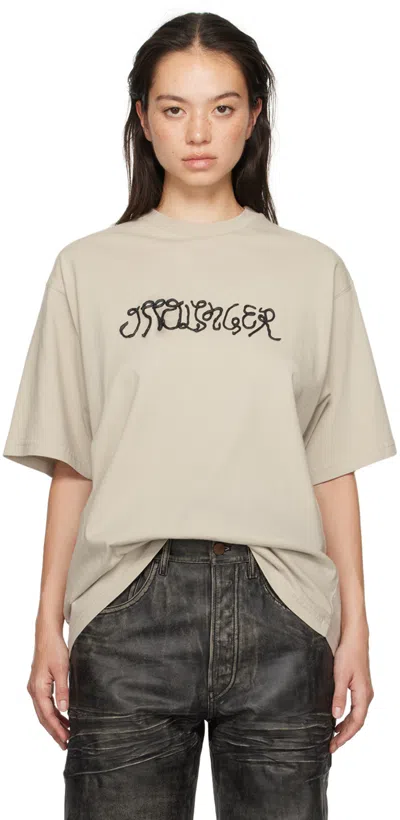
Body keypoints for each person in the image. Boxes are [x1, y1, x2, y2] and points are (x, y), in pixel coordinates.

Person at [3, 11, 397, 820]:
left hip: (283, 606)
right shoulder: (87, 269)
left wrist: (356, 626)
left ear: (254, 117)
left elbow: (331, 464)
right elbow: (74, 463)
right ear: (142, 118)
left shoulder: (313, 271)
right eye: (174, 108)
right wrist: (47, 623)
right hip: (126, 607)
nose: (197, 132)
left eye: (222, 107)